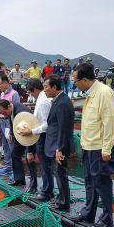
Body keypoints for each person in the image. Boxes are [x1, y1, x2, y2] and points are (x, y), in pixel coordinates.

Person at [70, 63, 114, 227]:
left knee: (101, 182)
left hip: (100, 147)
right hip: (89, 145)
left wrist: (107, 148)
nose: (74, 83)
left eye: (76, 80)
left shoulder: (104, 93)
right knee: (89, 181)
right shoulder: (91, 93)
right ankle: (88, 212)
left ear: (84, 79)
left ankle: (107, 219)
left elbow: (109, 122)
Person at [43, 74, 75, 211]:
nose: (44, 90)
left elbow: (63, 128)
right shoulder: (58, 100)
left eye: (45, 87)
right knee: (59, 173)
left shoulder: (62, 103)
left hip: (59, 146)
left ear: (54, 87)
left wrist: (59, 149)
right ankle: (61, 198)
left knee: (61, 174)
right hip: (56, 145)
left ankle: (63, 203)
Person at [19, 78, 53, 200]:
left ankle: (46, 192)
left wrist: (31, 131)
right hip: (41, 134)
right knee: (45, 165)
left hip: (43, 135)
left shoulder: (43, 101)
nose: (30, 95)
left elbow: (45, 125)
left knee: (45, 164)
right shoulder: (40, 99)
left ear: (36, 90)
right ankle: (48, 189)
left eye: (30, 92)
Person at [0, 100, 37, 189]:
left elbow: (30, 132)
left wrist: (30, 151)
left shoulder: (22, 112)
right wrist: (11, 132)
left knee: (29, 158)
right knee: (14, 153)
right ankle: (19, 179)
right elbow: (12, 121)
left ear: (9, 107)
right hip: (21, 135)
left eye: (4, 113)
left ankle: (33, 185)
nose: (4, 115)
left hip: (32, 135)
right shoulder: (11, 108)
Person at [0, 74, 20, 177]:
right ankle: (8, 166)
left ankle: (15, 169)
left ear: (6, 82)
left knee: (12, 145)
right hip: (1, 121)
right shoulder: (2, 94)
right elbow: (0, 110)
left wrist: (12, 128)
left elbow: (15, 111)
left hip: (9, 122)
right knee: (4, 145)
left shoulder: (14, 94)